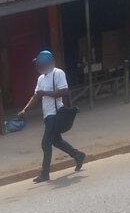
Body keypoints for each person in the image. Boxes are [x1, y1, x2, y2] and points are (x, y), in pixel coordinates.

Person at [18, 50, 85, 184]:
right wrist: (25, 109)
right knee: (56, 141)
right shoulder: (41, 79)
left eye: (40, 64)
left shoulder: (58, 73)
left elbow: (64, 91)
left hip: (55, 114)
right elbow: (36, 96)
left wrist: (46, 93)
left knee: (45, 144)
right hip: (47, 115)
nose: (38, 67)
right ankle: (78, 155)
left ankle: (45, 173)